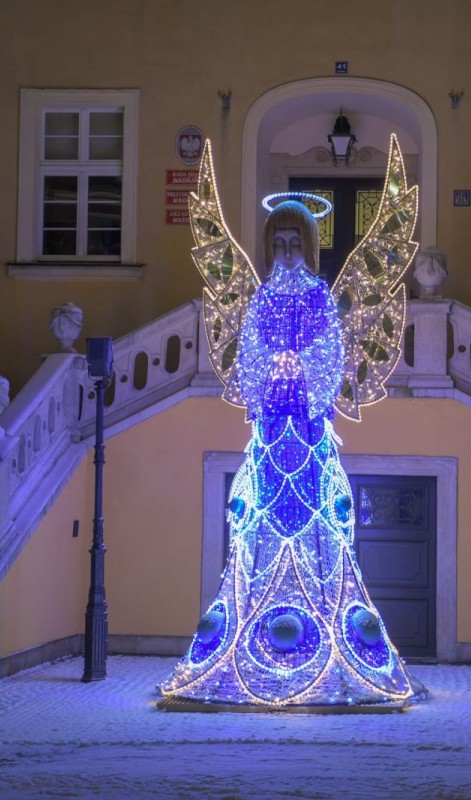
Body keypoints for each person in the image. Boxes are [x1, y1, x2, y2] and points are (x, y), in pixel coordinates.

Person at [158, 200, 416, 708]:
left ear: (310, 246)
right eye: (278, 243)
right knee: (259, 525)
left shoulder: (320, 296)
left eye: (296, 243)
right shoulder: (261, 297)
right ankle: (242, 633)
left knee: (320, 524)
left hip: (308, 430)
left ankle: (333, 633)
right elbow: (248, 350)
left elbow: (332, 351)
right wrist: (267, 368)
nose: (287, 252)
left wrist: (300, 364)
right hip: (273, 430)